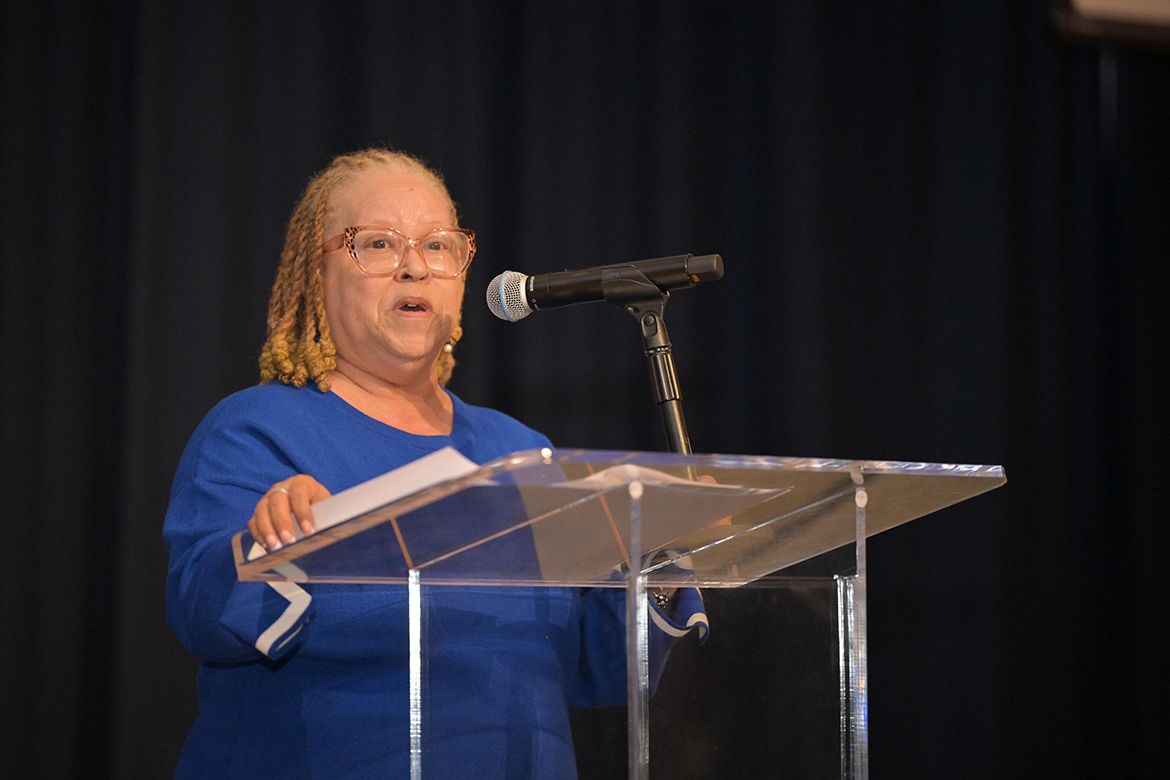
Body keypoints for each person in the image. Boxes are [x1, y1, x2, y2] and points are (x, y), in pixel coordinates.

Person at [163, 148, 707, 779]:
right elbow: (201, 612)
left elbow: (595, 667)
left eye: (439, 246)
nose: (415, 267)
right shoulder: (258, 430)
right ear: (317, 273)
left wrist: (662, 559)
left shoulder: (522, 452)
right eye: (378, 244)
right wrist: (274, 544)